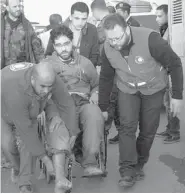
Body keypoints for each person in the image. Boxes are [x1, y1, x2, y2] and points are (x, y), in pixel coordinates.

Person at [98, 14, 183, 188]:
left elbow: (174, 64)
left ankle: (139, 163)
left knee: (147, 130)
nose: (114, 43)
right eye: (110, 39)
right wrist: (103, 106)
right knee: (127, 127)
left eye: (118, 37)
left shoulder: (151, 39)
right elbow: (106, 78)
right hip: (127, 88)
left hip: (153, 88)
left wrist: (177, 96)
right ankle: (127, 170)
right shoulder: (107, 48)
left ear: (127, 28)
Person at [1, 62, 77, 192]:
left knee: (28, 144)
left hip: (29, 102)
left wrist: (73, 131)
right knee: (8, 145)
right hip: (4, 107)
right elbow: (26, 131)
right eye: (43, 86)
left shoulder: (50, 78)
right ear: (32, 79)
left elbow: (66, 103)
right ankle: (17, 168)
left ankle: (24, 182)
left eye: (50, 87)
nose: (47, 91)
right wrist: (47, 161)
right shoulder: (15, 91)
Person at [43, 25, 104, 177]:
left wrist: (96, 93)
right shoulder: (47, 64)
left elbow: (96, 84)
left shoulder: (85, 63)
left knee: (94, 113)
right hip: (60, 104)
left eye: (66, 43)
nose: (63, 48)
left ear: (72, 42)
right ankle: (59, 166)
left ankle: (89, 162)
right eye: (58, 45)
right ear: (54, 46)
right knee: (57, 120)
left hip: (82, 101)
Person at [91, 0, 121, 144]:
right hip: (117, 69)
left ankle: (105, 133)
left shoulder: (105, 24)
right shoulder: (116, 20)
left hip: (110, 69)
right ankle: (122, 133)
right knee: (117, 102)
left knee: (110, 102)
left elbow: (98, 44)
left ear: (95, 10)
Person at [45, 2, 99, 67]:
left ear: (87, 18)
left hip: (85, 71)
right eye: (77, 18)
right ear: (70, 17)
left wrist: (87, 71)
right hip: (61, 72)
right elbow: (48, 54)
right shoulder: (58, 30)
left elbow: (94, 55)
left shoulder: (92, 30)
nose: (80, 22)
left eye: (84, 19)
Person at [155, 5, 180, 143]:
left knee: (171, 103)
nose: (157, 19)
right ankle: (170, 128)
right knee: (167, 102)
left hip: (171, 71)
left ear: (168, 15)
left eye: (160, 16)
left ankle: (174, 132)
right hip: (165, 70)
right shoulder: (163, 29)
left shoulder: (171, 30)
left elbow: (163, 46)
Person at [1, 0, 44, 69]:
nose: (18, 9)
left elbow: (37, 48)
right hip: (4, 69)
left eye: (19, 6)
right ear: (7, 8)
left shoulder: (27, 25)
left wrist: (42, 66)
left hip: (23, 68)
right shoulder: (1, 24)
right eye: (14, 7)